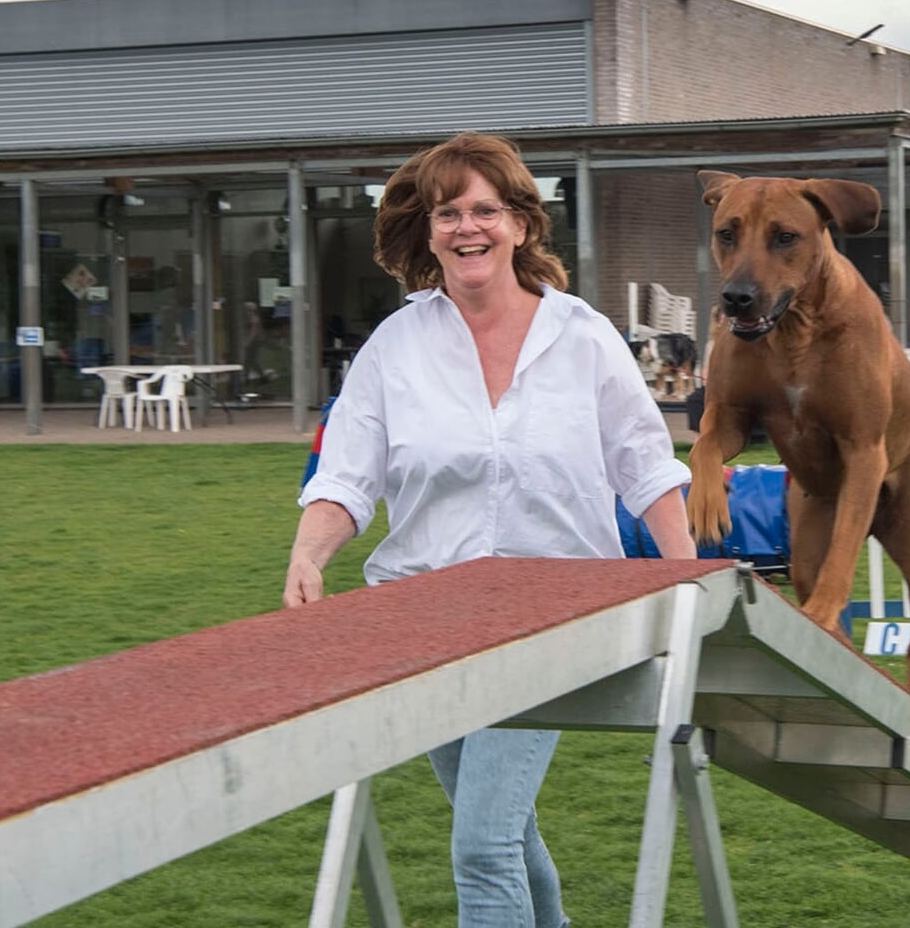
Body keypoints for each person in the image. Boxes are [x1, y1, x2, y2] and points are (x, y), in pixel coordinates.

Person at [286, 131, 694, 928]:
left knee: (480, 843)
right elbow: (346, 474)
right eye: (449, 213)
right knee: (505, 831)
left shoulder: (582, 336)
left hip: (553, 612)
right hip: (421, 619)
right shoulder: (394, 348)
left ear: (519, 223)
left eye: (484, 210)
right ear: (427, 228)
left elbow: (646, 464)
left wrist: (686, 580)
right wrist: (308, 553)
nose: (467, 228)